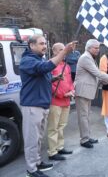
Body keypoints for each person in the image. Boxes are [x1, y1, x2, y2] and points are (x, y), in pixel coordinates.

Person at [20, 34, 75, 177]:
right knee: (32, 139)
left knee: (38, 137)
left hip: (42, 104)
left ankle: (37, 162)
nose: (44, 46)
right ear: (31, 45)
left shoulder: (38, 59)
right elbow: (43, 68)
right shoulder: (27, 60)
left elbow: (44, 75)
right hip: (32, 105)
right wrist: (64, 52)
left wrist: (55, 78)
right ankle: (31, 170)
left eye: (45, 43)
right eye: (41, 43)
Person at [75, 39, 108, 148]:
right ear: (89, 48)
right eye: (95, 48)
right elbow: (97, 73)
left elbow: (96, 76)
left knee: (86, 116)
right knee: (83, 116)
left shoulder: (90, 57)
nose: (98, 50)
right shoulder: (86, 57)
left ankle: (86, 137)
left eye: (98, 48)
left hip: (86, 91)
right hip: (83, 91)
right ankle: (84, 140)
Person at [47, 43, 74, 161]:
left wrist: (72, 91)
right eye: (61, 50)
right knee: (53, 127)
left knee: (62, 126)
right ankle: (52, 152)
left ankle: (60, 147)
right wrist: (62, 94)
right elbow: (49, 84)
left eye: (64, 49)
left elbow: (70, 81)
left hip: (66, 101)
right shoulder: (50, 65)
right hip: (56, 101)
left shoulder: (66, 66)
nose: (64, 51)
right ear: (54, 52)